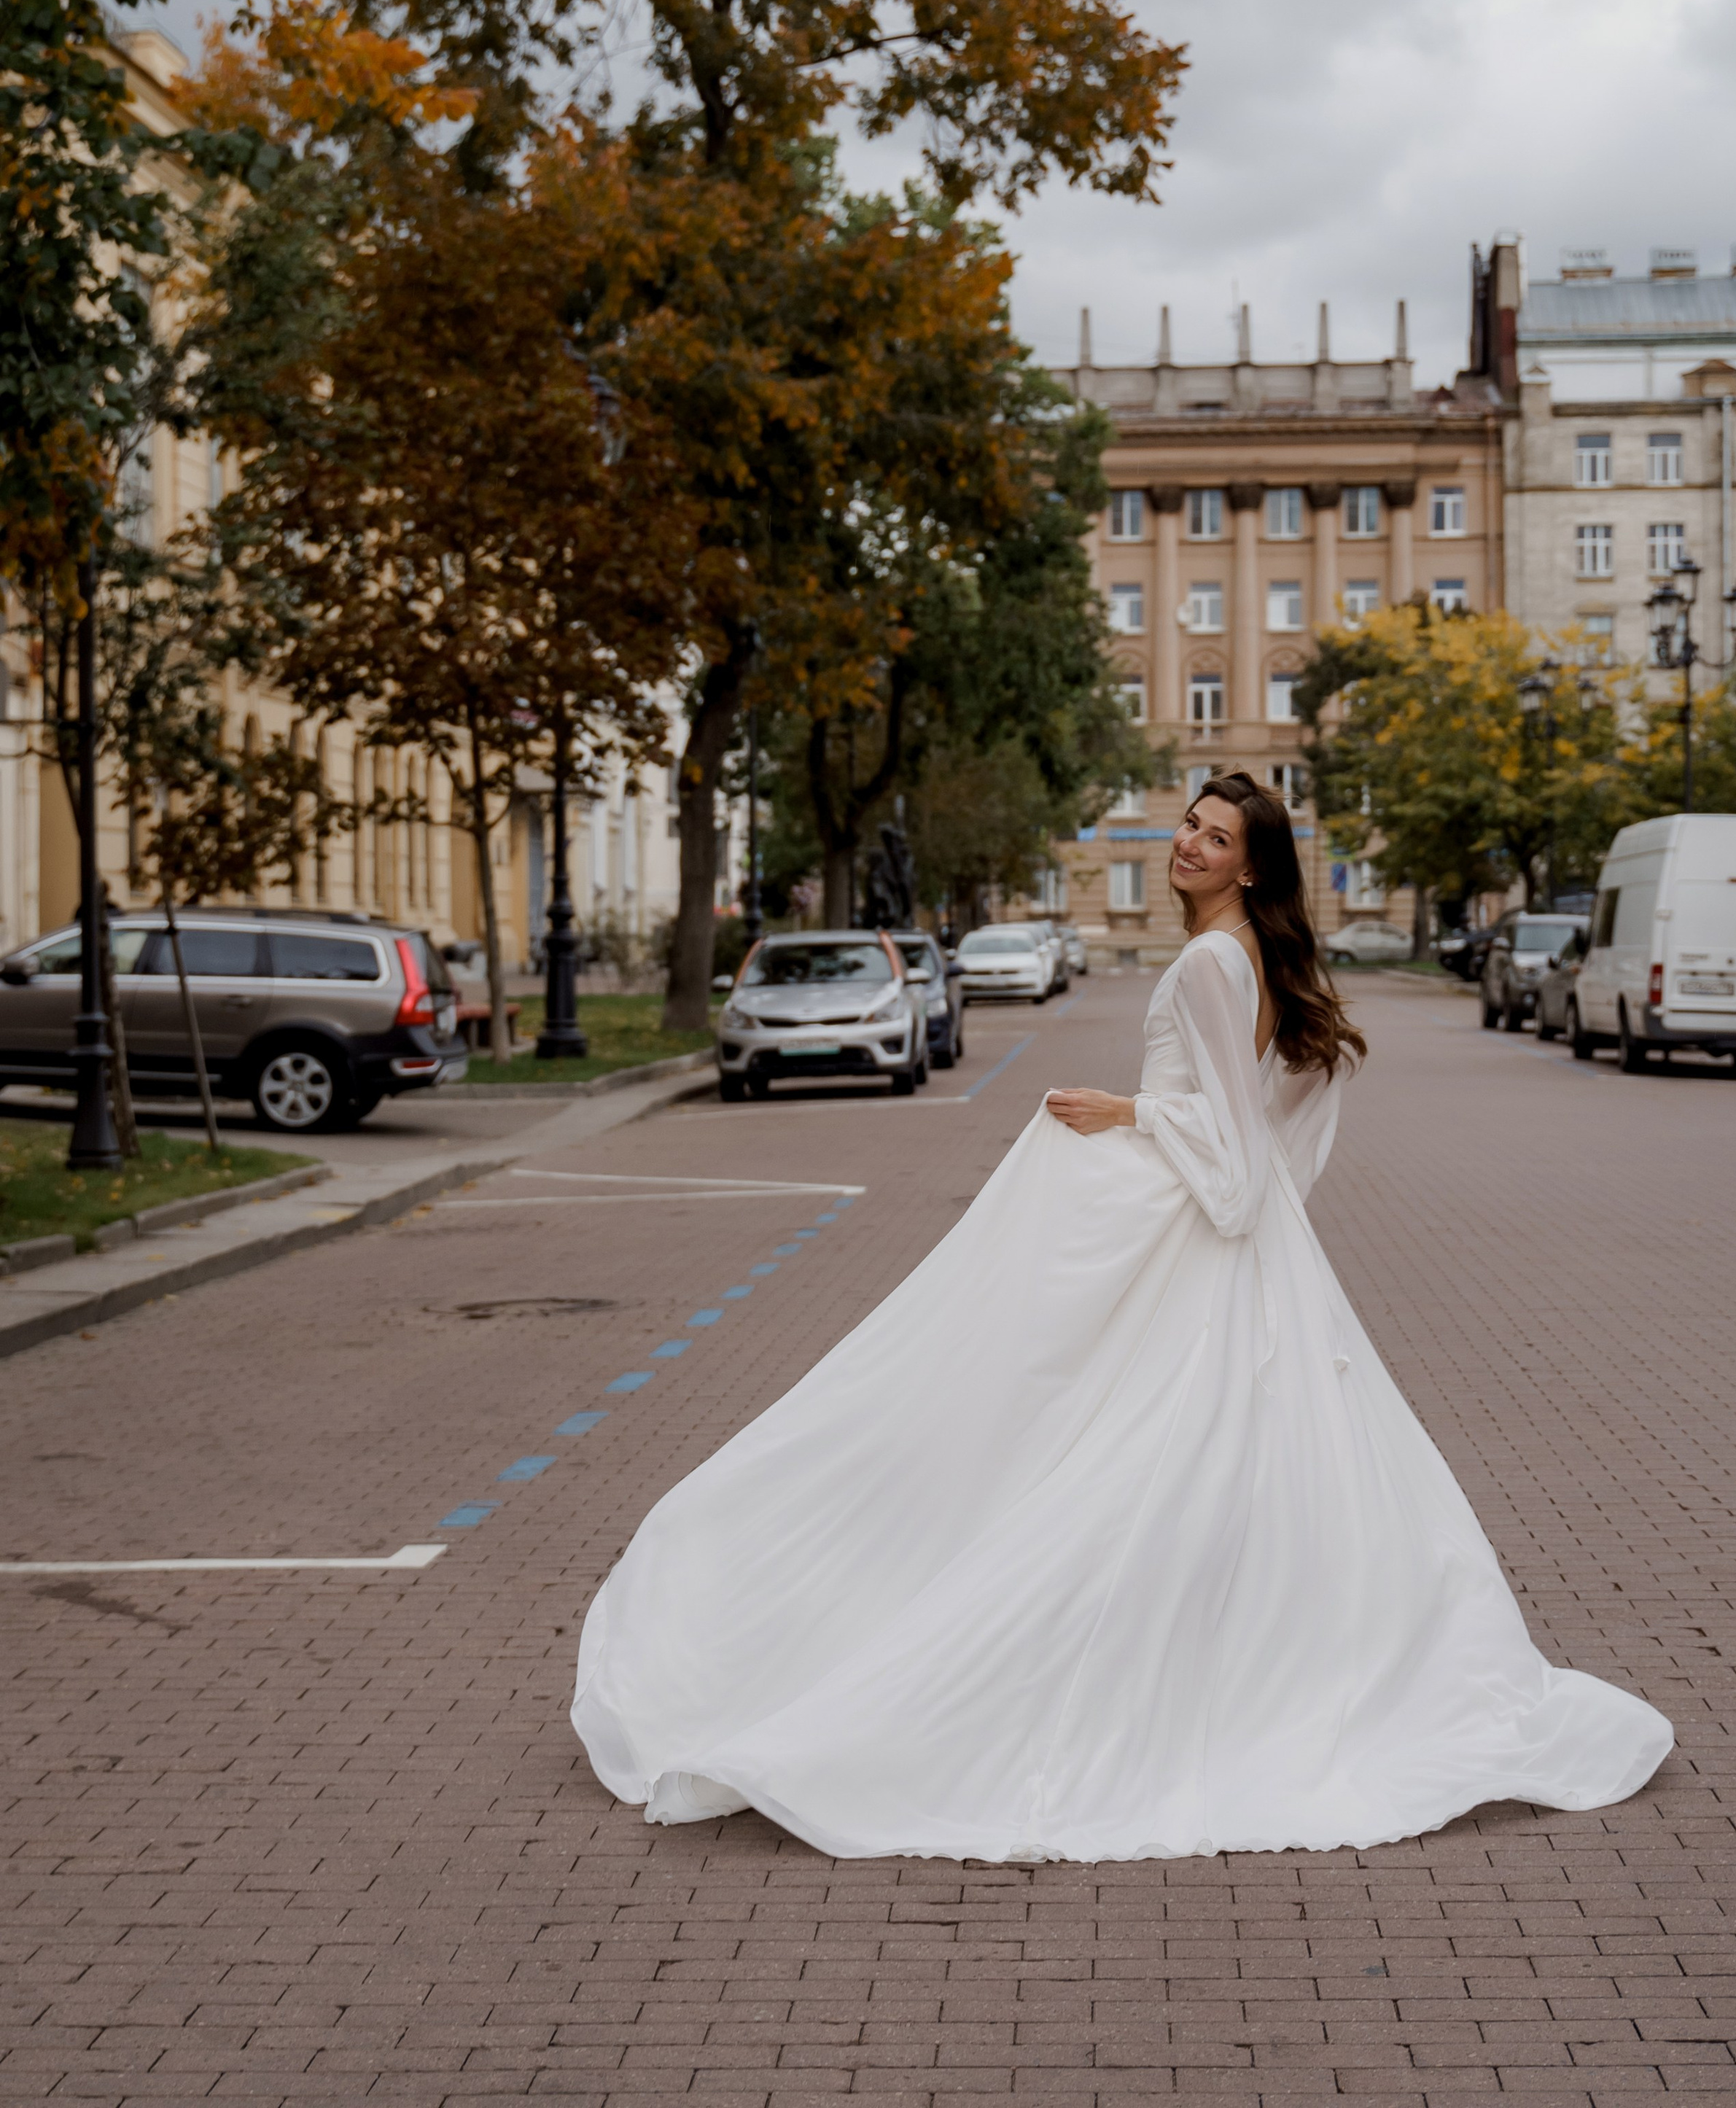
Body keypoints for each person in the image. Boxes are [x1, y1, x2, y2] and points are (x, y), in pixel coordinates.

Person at [571, 771, 1672, 1860]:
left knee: (1080, 1440)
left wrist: (1127, 1110)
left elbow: (1238, 1174)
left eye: (1214, 834)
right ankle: (1265, 1677)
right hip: (1239, 1256)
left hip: (1202, 1240)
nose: (1188, 843)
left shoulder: (1206, 962)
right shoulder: (1253, 958)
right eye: (1189, 826)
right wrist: (1163, 1118)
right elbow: (1276, 1142)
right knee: (1211, 1464)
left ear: (1251, 861)